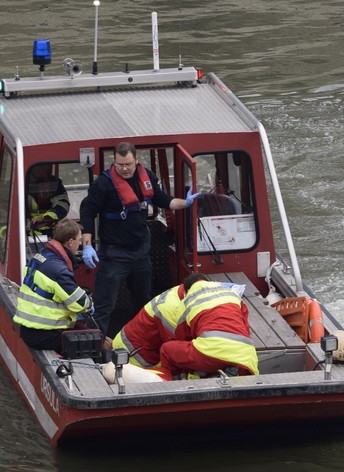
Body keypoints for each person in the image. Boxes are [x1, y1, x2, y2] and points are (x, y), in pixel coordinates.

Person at [78, 142, 197, 337]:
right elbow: (87, 211)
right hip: (114, 254)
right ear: (114, 162)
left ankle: (140, 340)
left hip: (141, 252)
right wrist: (87, 245)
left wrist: (186, 202)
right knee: (104, 304)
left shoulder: (147, 177)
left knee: (143, 299)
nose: (124, 169)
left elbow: (163, 199)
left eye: (128, 164)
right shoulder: (103, 184)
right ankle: (97, 347)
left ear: (136, 161)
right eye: (119, 165)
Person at [12, 218, 93, 352]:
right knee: (90, 340)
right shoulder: (59, 271)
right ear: (70, 242)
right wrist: (90, 304)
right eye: (79, 240)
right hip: (44, 334)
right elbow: (80, 303)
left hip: (28, 329)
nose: (80, 244)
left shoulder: (40, 257)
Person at [158, 277, 259, 378]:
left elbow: (183, 337)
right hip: (246, 355)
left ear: (186, 290)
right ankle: (230, 366)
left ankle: (176, 386)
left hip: (210, 354)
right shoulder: (230, 293)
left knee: (166, 350)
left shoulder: (187, 301)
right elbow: (245, 324)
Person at [112, 273, 209, 369]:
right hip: (133, 353)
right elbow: (178, 349)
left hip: (142, 346)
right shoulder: (170, 308)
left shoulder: (187, 290)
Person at [26, 164, 70, 237]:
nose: (46, 167)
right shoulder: (15, 184)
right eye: (41, 164)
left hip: (51, 233)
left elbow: (63, 204)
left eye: (47, 165)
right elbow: (6, 216)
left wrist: (48, 218)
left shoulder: (54, 182)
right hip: (23, 235)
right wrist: (28, 224)